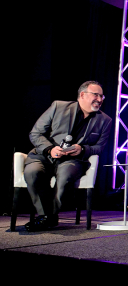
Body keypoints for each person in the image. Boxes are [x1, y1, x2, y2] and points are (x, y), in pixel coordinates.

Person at [24, 81, 112, 231]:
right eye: (96, 95)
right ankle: (48, 217)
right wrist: (50, 149)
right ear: (82, 95)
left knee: (65, 176)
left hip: (73, 160)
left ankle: (47, 218)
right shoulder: (58, 107)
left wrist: (82, 149)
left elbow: (100, 148)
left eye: (102, 96)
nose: (100, 99)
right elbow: (35, 133)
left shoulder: (105, 120)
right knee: (32, 173)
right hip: (44, 155)